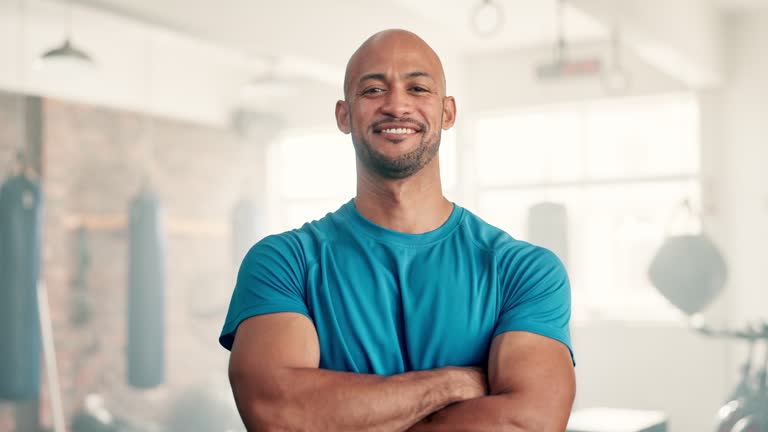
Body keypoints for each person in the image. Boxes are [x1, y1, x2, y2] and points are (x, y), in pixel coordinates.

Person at [219, 29, 576, 431]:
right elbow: (278, 415)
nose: (397, 105)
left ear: (447, 112)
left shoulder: (524, 271)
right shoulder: (284, 263)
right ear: (344, 115)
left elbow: (530, 423)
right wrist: (452, 383)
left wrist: (347, 417)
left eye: (418, 87)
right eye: (372, 90)